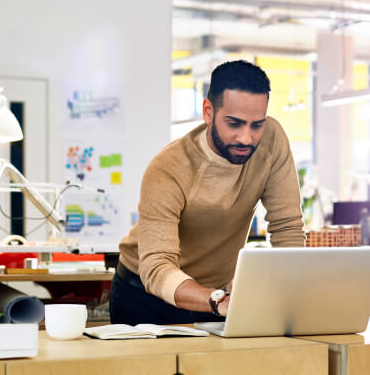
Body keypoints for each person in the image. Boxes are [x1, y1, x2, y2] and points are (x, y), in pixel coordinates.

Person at [110, 60, 305, 325]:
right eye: (234, 123)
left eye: (256, 125)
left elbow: (287, 227)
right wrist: (218, 301)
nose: (246, 138)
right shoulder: (168, 168)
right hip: (145, 296)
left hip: (217, 295)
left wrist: (294, 296)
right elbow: (157, 267)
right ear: (208, 111)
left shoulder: (272, 140)